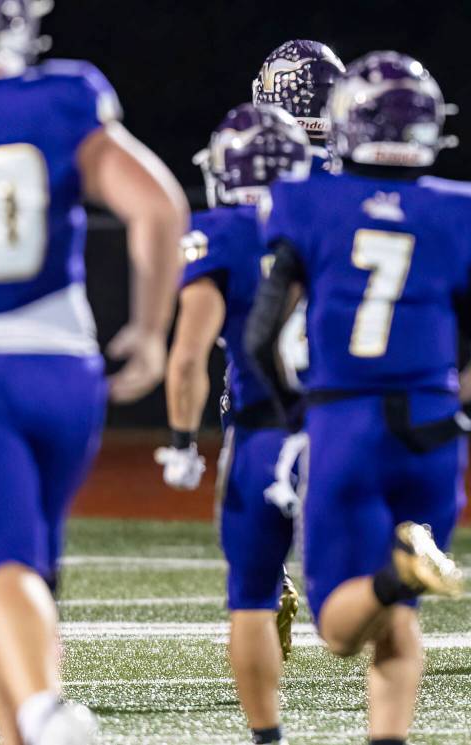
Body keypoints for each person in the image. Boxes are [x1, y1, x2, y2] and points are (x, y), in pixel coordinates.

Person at [245, 51, 471, 745]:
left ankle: (401, 571)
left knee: (341, 627)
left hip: (345, 419)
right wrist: (447, 407)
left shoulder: (304, 200)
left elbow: (262, 339)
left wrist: (296, 415)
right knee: (398, 621)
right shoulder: (468, 208)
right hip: (432, 426)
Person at [0, 1, 187, 743]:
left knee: (2, 563)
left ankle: (48, 709)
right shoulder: (64, 94)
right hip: (62, 370)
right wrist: (148, 332)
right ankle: (25, 721)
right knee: (22, 575)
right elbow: (158, 206)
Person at [156, 104, 311, 745]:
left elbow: (188, 355)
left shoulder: (218, 231)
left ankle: (266, 736)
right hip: (346, 422)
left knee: (251, 593)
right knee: (363, 599)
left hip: (262, 428)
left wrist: (180, 441)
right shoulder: (331, 215)